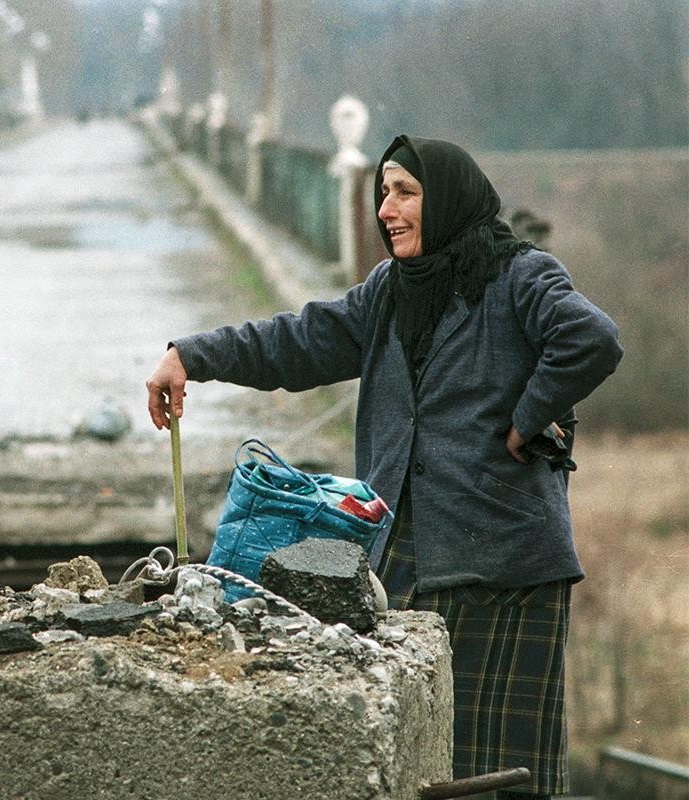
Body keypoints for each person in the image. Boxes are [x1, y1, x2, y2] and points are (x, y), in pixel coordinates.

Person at [145, 135, 622, 800]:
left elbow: (591, 338)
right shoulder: (389, 293)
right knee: (418, 767)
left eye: (406, 193)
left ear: (447, 199)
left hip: (505, 569)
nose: (386, 210)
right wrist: (193, 356)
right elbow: (299, 342)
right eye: (383, 193)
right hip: (404, 556)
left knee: (504, 774)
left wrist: (527, 416)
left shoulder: (519, 276)